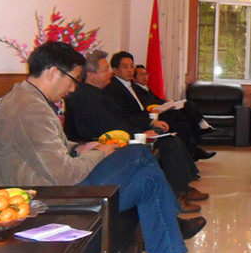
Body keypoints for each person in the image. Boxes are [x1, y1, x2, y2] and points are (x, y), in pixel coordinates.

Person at [0, 42, 209, 253]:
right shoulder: (31, 109)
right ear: (53, 73)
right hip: (45, 198)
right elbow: (65, 175)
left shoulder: (25, 98)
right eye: (73, 80)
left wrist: (81, 147)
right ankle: (173, 226)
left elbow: (45, 148)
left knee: (147, 178)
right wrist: (100, 152)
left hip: (47, 186)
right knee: (138, 154)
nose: (72, 88)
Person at [64, 50, 208, 213]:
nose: (110, 73)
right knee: (168, 144)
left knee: (171, 138)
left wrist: (146, 127)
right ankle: (177, 196)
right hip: (99, 142)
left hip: (118, 135)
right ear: (91, 75)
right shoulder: (85, 96)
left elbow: (124, 117)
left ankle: (182, 189)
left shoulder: (100, 92)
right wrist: (139, 134)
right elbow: (107, 127)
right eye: (105, 70)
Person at [104, 51, 215, 161]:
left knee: (182, 124)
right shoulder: (114, 88)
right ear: (115, 70)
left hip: (146, 116)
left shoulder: (129, 85)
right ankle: (194, 148)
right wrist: (151, 121)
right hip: (139, 123)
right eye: (125, 67)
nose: (130, 70)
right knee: (178, 115)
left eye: (132, 66)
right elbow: (127, 115)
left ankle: (189, 155)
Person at [133, 64, 216, 157]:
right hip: (153, 115)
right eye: (141, 74)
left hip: (160, 110)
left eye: (146, 74)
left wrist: (167, 102)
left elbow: (156, 99)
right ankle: (202, 127)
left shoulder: (145, 87)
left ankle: (194, 148)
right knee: (182, 112)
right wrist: (164, 104)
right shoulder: (135, 89)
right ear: (134, 77)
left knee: (185, 118)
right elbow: (147, 103)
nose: (145, 77)